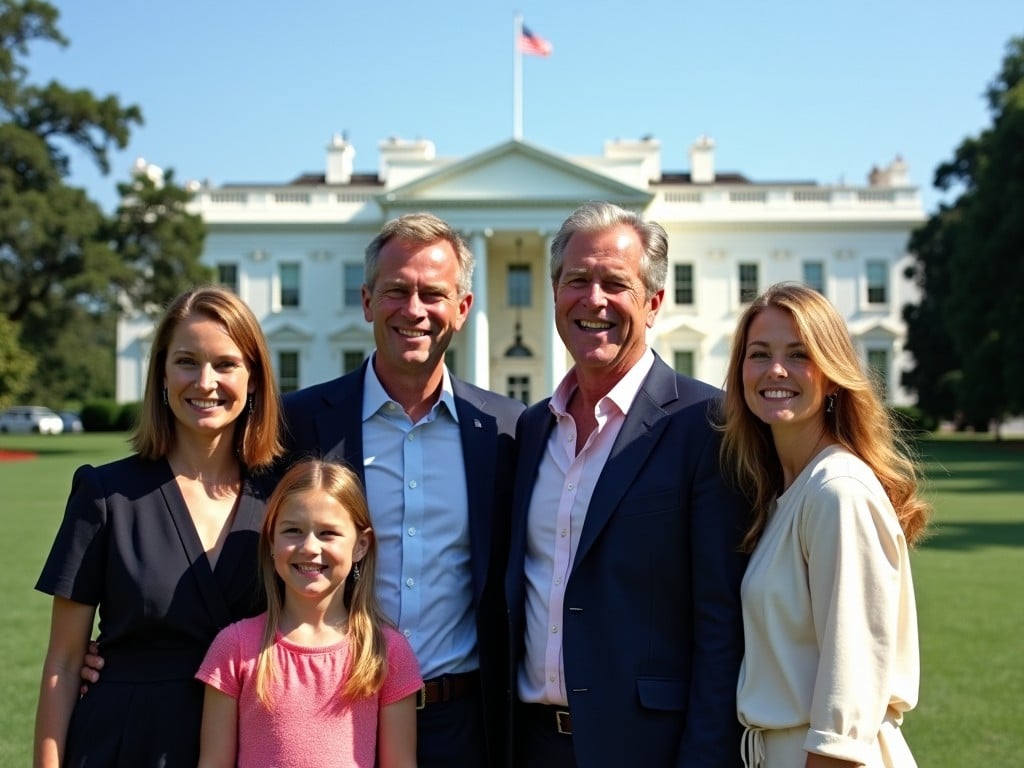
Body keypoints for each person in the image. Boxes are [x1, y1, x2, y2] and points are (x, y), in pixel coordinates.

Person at [505, 201, 750, 767]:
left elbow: (722, 623)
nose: (593, 300)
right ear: (554, 291)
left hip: (646, 748)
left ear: (654, 302)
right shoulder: (532, 427)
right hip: (531, 744)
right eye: (577, 280)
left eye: (616, 283)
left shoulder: (705, 424)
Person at [282, 212, 524, 767]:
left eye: (432, 294)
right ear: (368, 301)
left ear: (462, 310)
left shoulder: (507, 431)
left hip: (459, 722)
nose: (413, 310)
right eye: (396, 291)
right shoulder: (301, 422)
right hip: (332, 712)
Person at [34, 286, 283, 767]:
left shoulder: (283, 504)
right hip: (126, 743)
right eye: (187, 361)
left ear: (253, 379)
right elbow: (64, 663)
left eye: (226, 364)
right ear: (162, 376)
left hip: (250, 742)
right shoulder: (106, 495)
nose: (205, 382)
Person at [720, 282, 929, 768]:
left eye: (798, 354)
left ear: (833, 376)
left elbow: (848, 698)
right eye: (759, 354)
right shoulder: (785, 494)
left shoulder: (839, 491)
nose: (776, 370)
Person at [195, 458, 421, 768]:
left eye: (328, 533)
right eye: (293, 531)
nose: (310, 547)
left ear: (361, 545)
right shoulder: (235, 647)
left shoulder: (387, 653)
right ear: (272, 542)